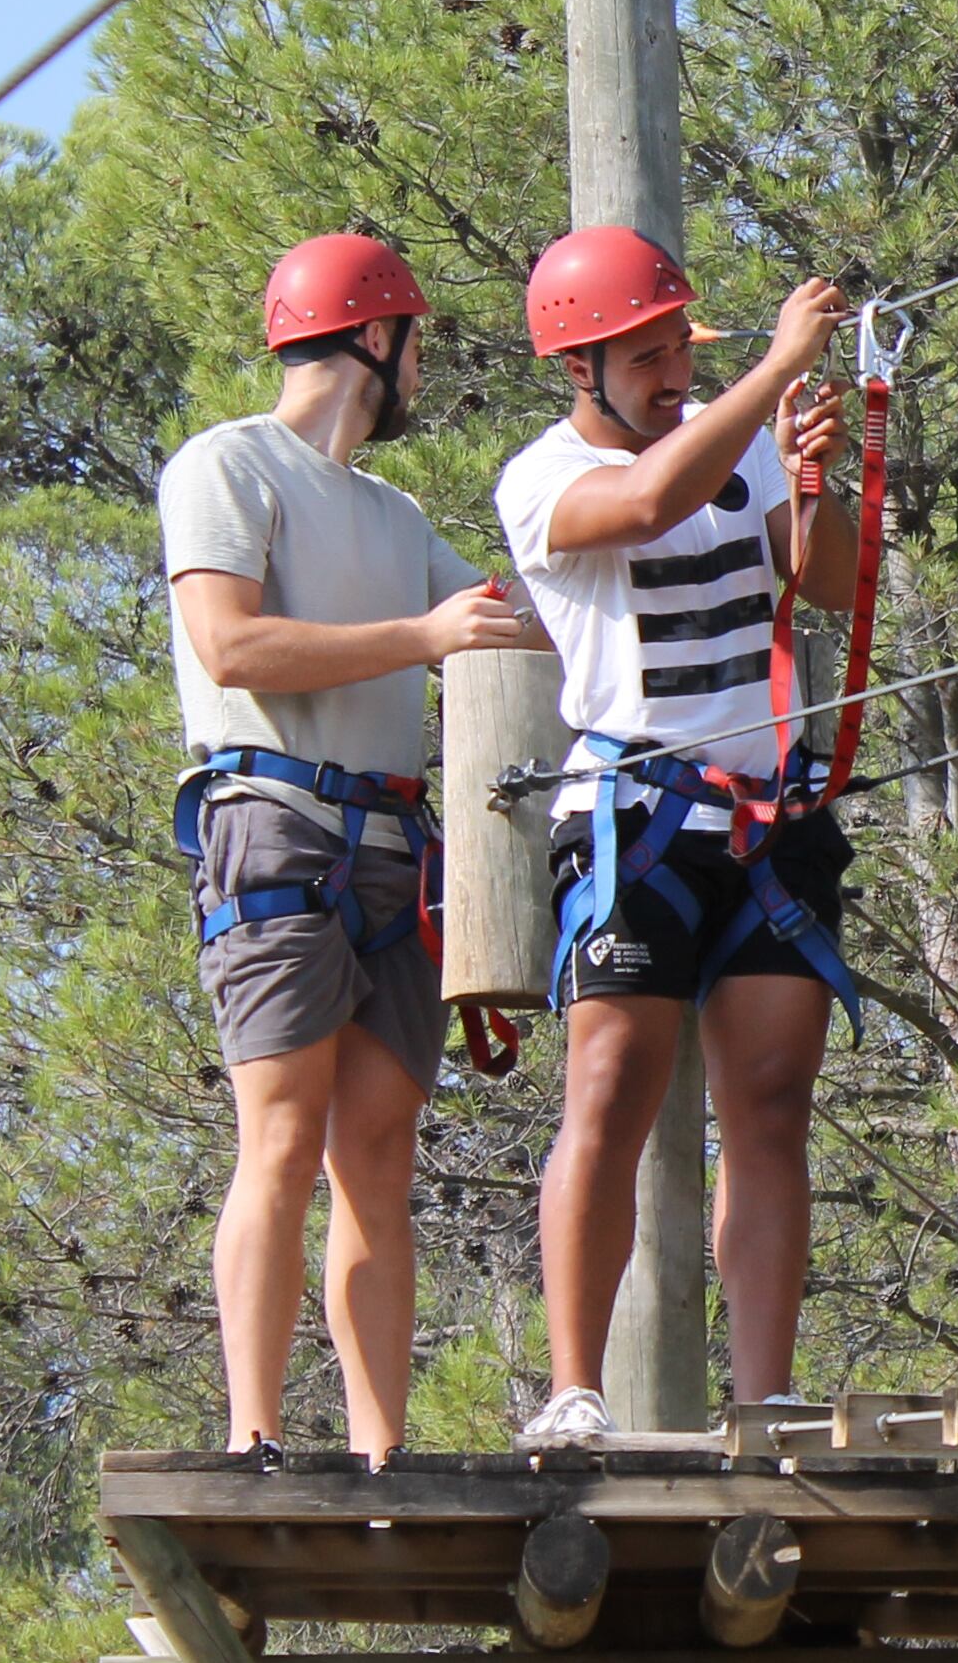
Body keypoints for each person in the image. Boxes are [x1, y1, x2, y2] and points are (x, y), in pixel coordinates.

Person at [162, 232, 544, 1461]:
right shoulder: (227, 465)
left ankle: (385, 1447)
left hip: (391, 845)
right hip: (275, 821)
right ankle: (255, 1435)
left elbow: (508, 629)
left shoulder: (394, 513)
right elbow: (232, 649)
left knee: (377, 1148)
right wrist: (426, 637)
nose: (421, 365)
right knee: (279, 1132)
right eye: (417, 341)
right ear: (377, 338)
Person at [498, 228, 852, 1446]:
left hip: (767, 815)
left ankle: (765, 1398)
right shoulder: (541, 479)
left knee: (769, 1101)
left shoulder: (739, 447)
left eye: (675, 351)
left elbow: (826, 583)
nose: (669, 374)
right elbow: (646, 502)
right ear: (579, 367)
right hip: (637, 812)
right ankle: (576, 1385)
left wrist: (819, 481)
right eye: (644, 356)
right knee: (610, 1089)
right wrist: (772, 376)